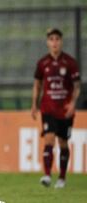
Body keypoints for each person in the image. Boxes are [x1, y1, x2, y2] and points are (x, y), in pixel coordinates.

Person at [31, 28, 81, 188]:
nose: (54, 42)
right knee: (49, 139)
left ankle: (62, 177)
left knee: (63, 143)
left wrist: (73, 103)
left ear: (61, 41)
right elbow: (37, 85)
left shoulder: (70, 62)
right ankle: (46, 175)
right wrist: (34, 104)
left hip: (65, 109)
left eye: (57, 39)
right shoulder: (42, 63)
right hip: (48, 108)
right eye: (51, 39)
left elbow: (77, 86)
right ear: (48, 42)